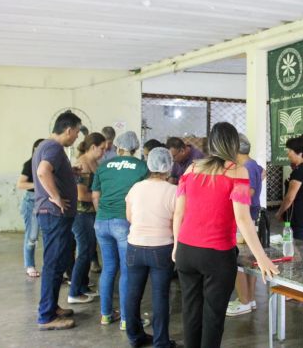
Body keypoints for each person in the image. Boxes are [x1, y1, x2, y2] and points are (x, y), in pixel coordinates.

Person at [173, 122, 278, 348]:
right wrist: (262, 258)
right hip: (216, 255)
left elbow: (179, 212)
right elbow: (243, 219)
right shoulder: (237, 172)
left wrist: (175, 247)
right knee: (212, 317)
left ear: (211, 143)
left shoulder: (191, 169)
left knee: (191, 312)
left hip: (186, 251)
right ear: (233, 144)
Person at [92, 131, 150, 329]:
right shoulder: (141, 166)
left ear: (117, 147)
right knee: (127, 271)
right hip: (124, 222)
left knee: (108, 269)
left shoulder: (103, 166)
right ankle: (126, 320)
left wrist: (101, 214)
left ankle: (106, 315)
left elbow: (95, 196)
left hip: (101, 221)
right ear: (135, 148)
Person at [33, 111, 82, 330]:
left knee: (57, 262)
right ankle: (46, 316)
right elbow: (43, 171)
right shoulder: (53, 147)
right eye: (77, 132)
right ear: (68, 129)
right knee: (53, 264)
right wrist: (57, 198)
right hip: (54, 214)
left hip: (53, 215)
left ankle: (51, 307)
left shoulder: (46, 146)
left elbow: (50, 171)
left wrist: (69, 172)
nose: (77, 137)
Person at [125, 147, 177, 348]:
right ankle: (161, 341)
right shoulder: (173, 191)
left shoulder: (136, 188)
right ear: (169, 166)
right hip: (161, 248)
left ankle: (135, 336)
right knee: (160, 295)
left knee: (133, 293)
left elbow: (129, 217)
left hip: (134, 246)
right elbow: (176, 222)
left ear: (149, 164)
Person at [226, 133, 265, 317]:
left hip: (245, 215)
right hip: (252, 214)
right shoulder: (253, 164)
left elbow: (249, 192)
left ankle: (244, 301)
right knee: (249, 259)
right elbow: (262, 173)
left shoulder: (246, 167)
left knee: (239, 260)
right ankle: (250, 299)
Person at [67, 132, 106, 304]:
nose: (104, 152)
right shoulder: (82, 164)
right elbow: (81, 194)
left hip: (90, 212)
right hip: (81, 213)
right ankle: (74, 291)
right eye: (102, 148)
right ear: (93, 147)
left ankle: (83, 286)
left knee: (89, 250)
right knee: (84, 251)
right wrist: (102, 199)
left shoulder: (93, 163)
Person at [275, 137, 303, 242]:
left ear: (300, 153)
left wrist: (280, 212)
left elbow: (290, 197)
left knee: (297, 246)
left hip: (297, 217)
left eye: (290, 150)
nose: (288, 154)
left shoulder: (299, 171)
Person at [16, 138, 45, 278]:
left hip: (45, 201)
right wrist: (38, 185)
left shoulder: (49, 164)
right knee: (32, 236)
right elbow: (21, 184)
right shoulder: (30, 164)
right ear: (35, 150)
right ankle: (30, 265)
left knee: (48, 236)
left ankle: (49, 265)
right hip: (32, 201)